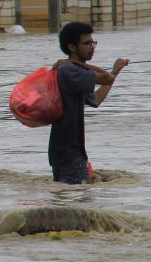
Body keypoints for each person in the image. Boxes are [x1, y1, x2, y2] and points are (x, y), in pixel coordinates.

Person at [49, 21, 129, 184]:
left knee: (73, 199)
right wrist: (76, 63)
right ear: (72, 47)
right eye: (87, 43)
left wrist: (116, 71)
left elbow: (96, 100)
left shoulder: (75, 70)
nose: (92, 46)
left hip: (72, 151)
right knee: (80, 200)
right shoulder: (69, 70)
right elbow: (106, 78)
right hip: (68, 152)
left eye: (93, 42)